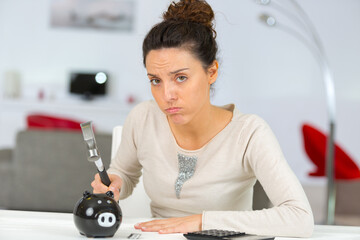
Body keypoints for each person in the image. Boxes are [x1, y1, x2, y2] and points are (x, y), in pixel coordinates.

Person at [91, 0, 314, 237]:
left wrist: (200, 222)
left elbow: (299, 217)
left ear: (212, 72)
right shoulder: (143, 117)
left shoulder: (249, 133)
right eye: (156, 80)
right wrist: (115, 184)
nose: (167, 96)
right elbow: (124, 174)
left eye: (180, 78)